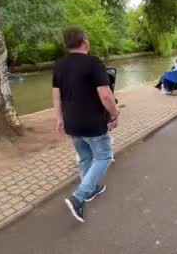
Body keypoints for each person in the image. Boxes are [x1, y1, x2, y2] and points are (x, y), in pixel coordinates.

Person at [52, 27, 119, 223]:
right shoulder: (93, 62)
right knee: (104, 156)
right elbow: (106, 95)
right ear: (85, 41)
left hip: (71, 122)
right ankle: (79, 197)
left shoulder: (59, 65)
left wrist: (59, 118)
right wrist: (114, 114)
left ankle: (91, 188)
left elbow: (56, 96)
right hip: (93, 122)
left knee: (85, 157)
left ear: (66, 45)